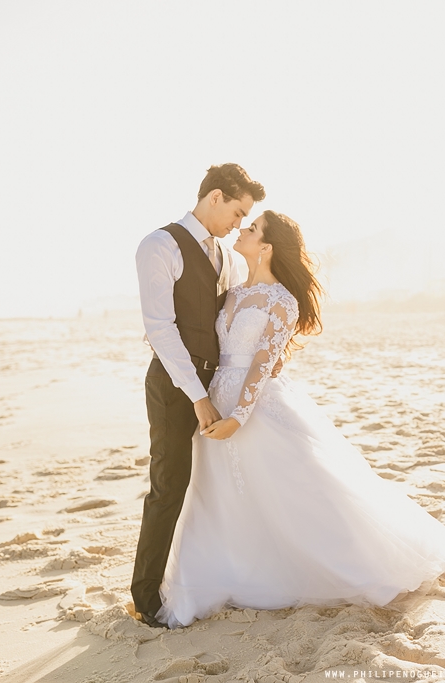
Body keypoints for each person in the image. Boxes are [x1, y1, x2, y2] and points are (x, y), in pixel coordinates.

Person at [154, 210, 445, 628]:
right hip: (215, 403)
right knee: (220, 497)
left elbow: (262, 366)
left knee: (301, 490)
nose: (241, 230)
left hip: (255, 408)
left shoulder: (282, 299)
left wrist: (239, 418)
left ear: (265, 246)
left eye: (251, 228)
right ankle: (226, 572)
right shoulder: (230, 292)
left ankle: (351, 565)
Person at [131, 163, 267, 628]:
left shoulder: (227, 259)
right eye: (236, 212)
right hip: (175, 386)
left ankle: (219, 577)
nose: (237, 224)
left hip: (217, 386)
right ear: (214, 197)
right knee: (169, 488)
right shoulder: (159, 245)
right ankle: (146, 598)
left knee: (219, 485)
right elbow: (160, 329)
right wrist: (197, 395)